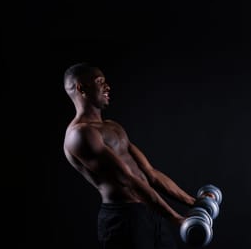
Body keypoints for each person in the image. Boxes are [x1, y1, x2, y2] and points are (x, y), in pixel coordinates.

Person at [62, 62, 197, 249]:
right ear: (81, 88)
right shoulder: (80, 134)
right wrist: (176, 218)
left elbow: (150, 173)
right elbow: (127, 179)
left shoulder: (113, 127)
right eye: (100, 82)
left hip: (151, 210)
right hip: (124, 219)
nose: (107, 87)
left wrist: (193, 202)